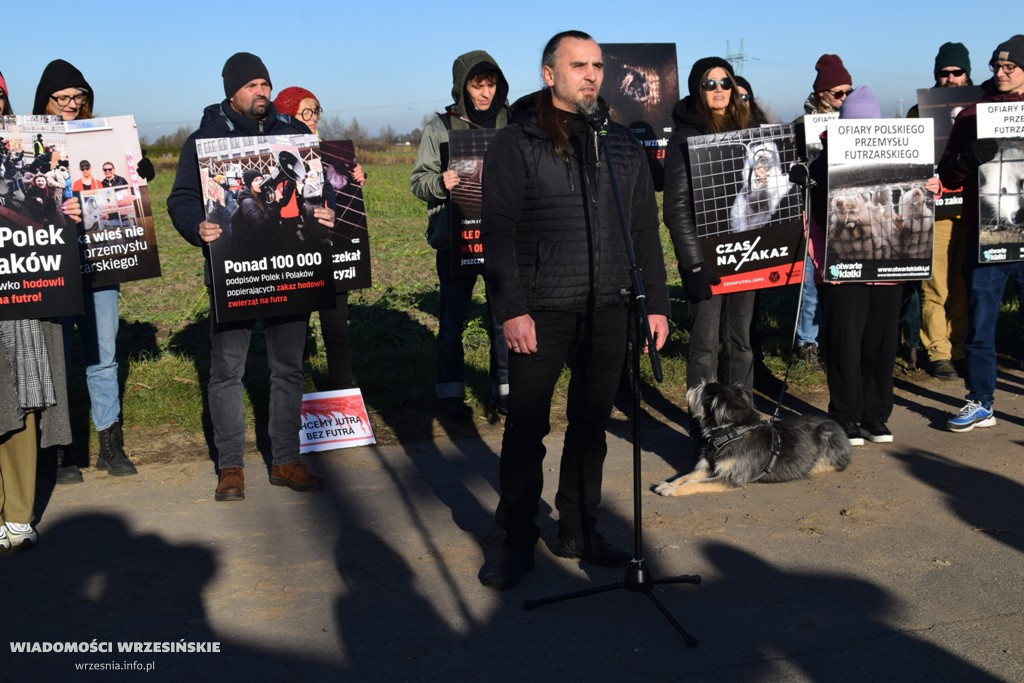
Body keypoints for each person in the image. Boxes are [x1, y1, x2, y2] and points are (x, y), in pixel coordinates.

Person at [479, 30, 670, 589]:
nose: (591, 75)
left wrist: (655, 304)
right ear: (549, 75)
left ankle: (580, 528)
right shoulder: (518, 142)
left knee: (590, 426)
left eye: (597, 66)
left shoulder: (621, 145)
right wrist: (511, 309)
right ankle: (516, 538)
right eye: (578, 65)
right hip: (540, 310)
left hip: (610, 305)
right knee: (526, 429)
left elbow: (643, 231)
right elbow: (498, 231)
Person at [167, 52, 333, 500]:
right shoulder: (204, 139)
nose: (262, 93)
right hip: (234, 272)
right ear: (232, 91)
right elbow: (180, 199)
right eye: (252, 86)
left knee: (288, 368)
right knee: (226, 371)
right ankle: (231, 466)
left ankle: (285, 459)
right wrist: (194, 228)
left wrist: (326, 210)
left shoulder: (294, 133)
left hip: (289, 271)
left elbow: (322, 188)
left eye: (266, 84)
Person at [808, 87, 941, 445]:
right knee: (844, 343)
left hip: (886, 270)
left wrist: (931, 186)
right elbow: (816, 218)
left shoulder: (900, 157)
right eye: (854, 125)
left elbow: (915, 205)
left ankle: (876, 416)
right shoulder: (821, 164)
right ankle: (846, 415)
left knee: (881, 344)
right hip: (842, 269)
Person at [34, 59, 137, 483]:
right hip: (53, 261)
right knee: (55, 357)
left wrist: (137, 177)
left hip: (99, 258)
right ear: (45, 101)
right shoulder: (29, 146)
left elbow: (122, 192)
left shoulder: (103, 140)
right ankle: (60, 450)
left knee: (103, 353)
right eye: (62, 98)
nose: (71, 104)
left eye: (78, 97)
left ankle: (110, 443)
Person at [411, 51, 511, 419]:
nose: (485, 93)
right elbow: (418, 182)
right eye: (477, 85)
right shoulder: (441, 126)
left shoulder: (512, 122)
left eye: (491, 85)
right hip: (456, 240)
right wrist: (440, 183)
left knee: (505, 320)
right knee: (452, 321)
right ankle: (451, 396)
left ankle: (504, 393)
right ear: (463, 86)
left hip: (501, 239)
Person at [663, 56, 753, 454]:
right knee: (704, 348)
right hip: (707, 259)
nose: (718, 90)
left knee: (741, 343)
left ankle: (743, 423)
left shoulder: (750, 129)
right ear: (696, 90)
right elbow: (676, 207)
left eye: (725, 83)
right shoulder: (684, 136)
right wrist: (693, 263)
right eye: (709, 84)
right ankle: (703, 430)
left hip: (749, 254)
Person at [1, 75, 73, 552]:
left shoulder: (25, 148)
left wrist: (67, 209)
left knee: (22, 391)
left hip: (20, 288)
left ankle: (19, 513)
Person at [939, 35, 1024, 432]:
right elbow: (947, 175)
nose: (1001, 73)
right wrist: (967, 159)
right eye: (996, 66)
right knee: (981, 322)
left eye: (1010, 67)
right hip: (988, 232)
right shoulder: (973, 114)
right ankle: (980, 400)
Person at [274, 86, 366, 391]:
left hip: (332, 251)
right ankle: (294, 403)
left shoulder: (329, 152)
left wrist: (356, 178)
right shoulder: (279, 154)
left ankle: (344, 399)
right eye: (306, 112)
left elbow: (340, 188)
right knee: (294, 337)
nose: (314, 118)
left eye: (316, 111)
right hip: (294, 251)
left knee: (337, 329)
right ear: (288, 116)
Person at [901, 43, 974, 381]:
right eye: (944, 73)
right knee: (934, 286)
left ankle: (959, 348)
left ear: (967, 73)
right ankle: (938, 352)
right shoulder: (920, 111)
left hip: (972, 208)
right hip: (938, 209)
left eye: (956, 72)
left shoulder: (981, 107)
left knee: (962, 283)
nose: (950, 78)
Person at [795, 54, 854, 370]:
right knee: (810, 284)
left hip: (845, 213)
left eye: (849, 92)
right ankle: (808, 344)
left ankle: (835, 341)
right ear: (821, 93)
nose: (845, 99)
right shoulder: (801, 126)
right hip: (811, 215)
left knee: (841, 282)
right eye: (838, 93)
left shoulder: (855, 121)